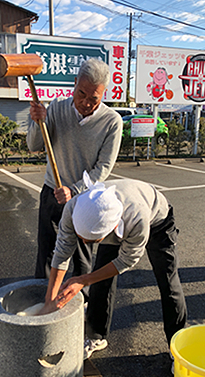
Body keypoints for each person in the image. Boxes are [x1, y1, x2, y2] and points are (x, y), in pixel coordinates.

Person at [40, 171, 187, 363]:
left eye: (91, 240)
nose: (83, 243)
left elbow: (126, 260)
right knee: (101, 282)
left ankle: (178, 349)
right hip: (117, 216)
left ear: (110, 230)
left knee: (168, 282)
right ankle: (96, 337)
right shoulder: (74, 207)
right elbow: (61, 253)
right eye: (81, 236)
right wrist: (50, 300)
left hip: (158, 220)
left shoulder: (136, 218)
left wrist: (84, 280)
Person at [26, 58, 123, 291]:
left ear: (104, 94)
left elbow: (103, 167)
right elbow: (34, 145)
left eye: (94, 99)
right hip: (52, 191)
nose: (86, 102)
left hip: (85, 199)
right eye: (81, 94)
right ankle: (43, 296)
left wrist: (75, 190)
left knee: (82, 257)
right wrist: (37, 121)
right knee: (47, 250)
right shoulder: (57, 107)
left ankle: (80, 301)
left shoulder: (112, 121)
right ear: (74, 83)